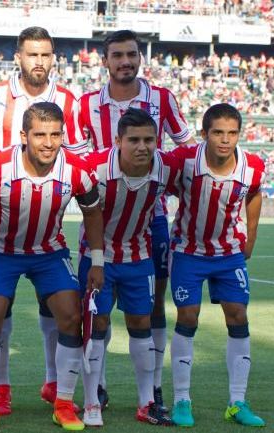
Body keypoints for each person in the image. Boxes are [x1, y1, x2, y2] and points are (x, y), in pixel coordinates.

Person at [0, 26, 83, 412]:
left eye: (46, 55)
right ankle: (1, 386)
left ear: (53, 58)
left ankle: (54, 382)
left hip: (46, 209)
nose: (39, 62)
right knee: (0, 310)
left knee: (58, 308)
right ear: (18, 56)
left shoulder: (67, 99)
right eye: (32, 54)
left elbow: (77, 154)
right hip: (1, 209)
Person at [77, 29, 196, 411]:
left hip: (151, 218)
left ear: (140, 58)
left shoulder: (162, 98)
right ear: (105, 60)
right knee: (98, 310)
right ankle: (99, 387)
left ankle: (154, 389)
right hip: (100, 216)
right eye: (118, 55)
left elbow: (188, 151)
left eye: (131, 54)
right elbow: (81, 165)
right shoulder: (85, 105)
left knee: (150, 306)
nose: (125, 61)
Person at [0, 102, 103, 431]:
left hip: (49, 252)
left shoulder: (76, 170)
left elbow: (92, 212)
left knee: (72, 317)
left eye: (55, 134)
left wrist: (98, 260)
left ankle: (63, 403)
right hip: (2, 252)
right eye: (40, 135)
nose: (48, 142)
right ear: (23, 136)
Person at [167, 103, 266, 428]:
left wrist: (250, 237)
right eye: (218, 132)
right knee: (188, 316)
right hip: (188, 251)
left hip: (228, 254)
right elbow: (157, 188)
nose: (225, 140)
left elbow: (253, 194)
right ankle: (182, 399)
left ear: (239, 134)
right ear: (205, 133)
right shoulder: (184, 162)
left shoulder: (251, 167)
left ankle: (237, 402)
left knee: (238, 315)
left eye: (232, 133)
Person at [78, 108, 177, 427]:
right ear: (118, 140)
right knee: (97, 325)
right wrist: (94, 259)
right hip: (98, 258)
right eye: (133, 139)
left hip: (138, 256)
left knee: (141, 322)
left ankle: (146, 401)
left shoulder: (165, 168)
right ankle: (92, 399)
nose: (142, 146)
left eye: (149, 139)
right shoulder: (95, 168)